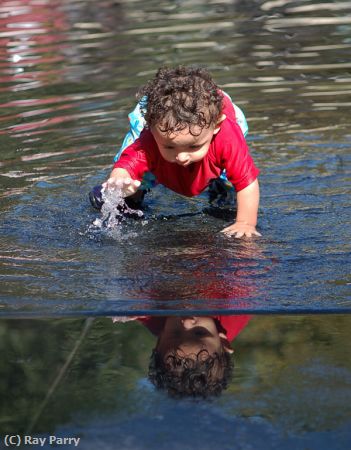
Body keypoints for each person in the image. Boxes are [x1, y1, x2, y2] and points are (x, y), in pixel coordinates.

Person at [91, 66, 261, 238]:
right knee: (137, 174)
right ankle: (132, 198)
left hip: (216, 126)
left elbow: (247, 183)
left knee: (230, 183)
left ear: (216, 127)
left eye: (193, 147)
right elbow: (129, 161)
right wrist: (118, 179)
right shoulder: (152, 135)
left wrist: (245, 223)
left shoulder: (226, 136)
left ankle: (221, 185)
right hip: (157, 125)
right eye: (170, 147)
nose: (181, 157)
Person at [113, 315, 251, 398]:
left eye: (176, 333)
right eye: (199, 333)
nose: (186, 321)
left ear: (160, 340)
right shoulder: (235, 312)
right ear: (223, 341)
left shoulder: (155, 317)